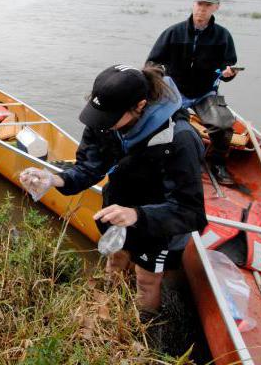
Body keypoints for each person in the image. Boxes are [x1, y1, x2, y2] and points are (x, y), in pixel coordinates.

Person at [20, 64, 207, 313]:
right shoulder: (105, 119)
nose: (102, 125)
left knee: (146, 280)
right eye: (100, 117)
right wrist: (54, 180)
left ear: (139, 106)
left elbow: (190, 211)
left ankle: (140, 330)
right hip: (116, 207)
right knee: (115, 260)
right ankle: (108, 307)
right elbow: (89, 167)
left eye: (109, 119)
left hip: (159, 224)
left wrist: (137, 215)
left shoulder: (179, 139)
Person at [147, 0, 238, 184]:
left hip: (206, 92)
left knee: (223, 124)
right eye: (199, 4)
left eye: (208, 5)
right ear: (193, 4)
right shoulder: (173, 32)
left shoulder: (223, 36)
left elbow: (228, 67)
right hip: (173, 90)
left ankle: (217, 163)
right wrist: (160, 79)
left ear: (216, 7)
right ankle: (162, 159)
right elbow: (152, 63)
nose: (202, 9)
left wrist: (228, 73)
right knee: (161, 122)